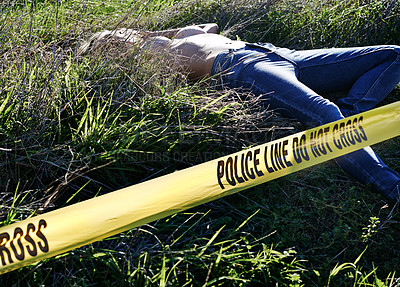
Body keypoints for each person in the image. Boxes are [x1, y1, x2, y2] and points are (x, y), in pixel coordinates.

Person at [80, 23, 400, 202]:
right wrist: (136, 44)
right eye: (111, 38)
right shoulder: (145, 59)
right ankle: (390, 186)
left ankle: (350, 114)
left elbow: (211, 26)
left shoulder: (175, 37)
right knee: (324, 113)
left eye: (118, 32)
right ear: (111, 50)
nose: (120, 33)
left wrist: (167, 31)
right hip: (241, 67)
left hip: (277, 54)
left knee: (390, 54)